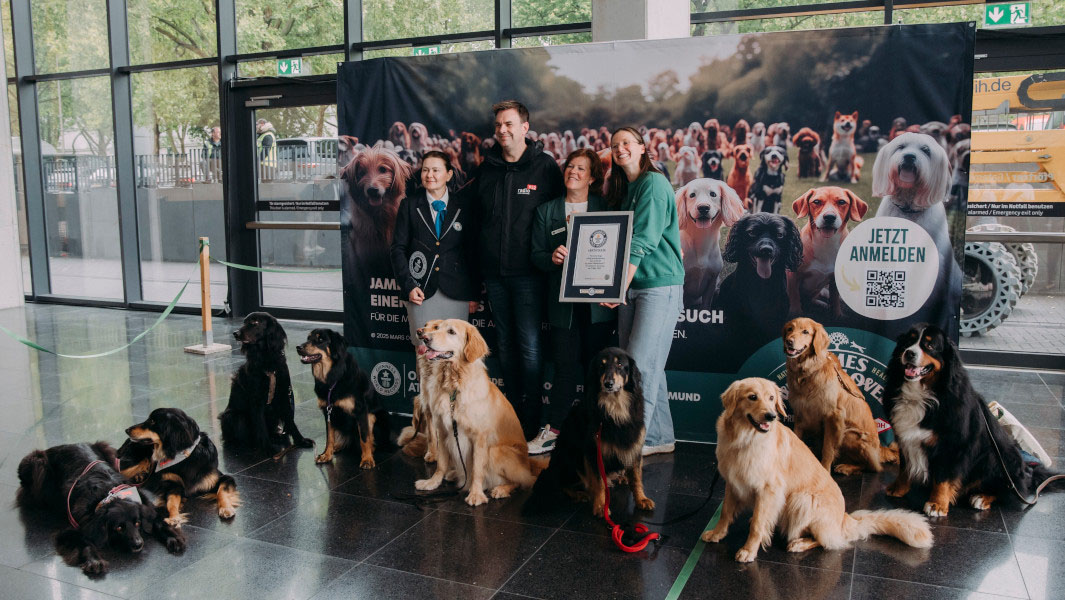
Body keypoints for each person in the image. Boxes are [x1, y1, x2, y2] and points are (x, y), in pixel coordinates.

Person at [469, 100, 564, 438]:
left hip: (530, 276)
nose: (502, 130)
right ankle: (512, 415)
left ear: (525, 127)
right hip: (494, 276)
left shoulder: (545, 167)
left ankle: (532, 421)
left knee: (530, 347)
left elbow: (560, 215)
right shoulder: (487, 168)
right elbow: (476, 221)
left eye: (509, 124)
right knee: (505, 347)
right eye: (498, 125)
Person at [602, 126, 684, 456]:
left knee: (637, 367)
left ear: (642, 148)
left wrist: (616, 286)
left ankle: (630, 446)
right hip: (633, 286)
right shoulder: (623, 188)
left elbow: (643, 241)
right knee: (648, 366)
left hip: (658, 286)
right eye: (614, 145)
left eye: (627, 143)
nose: (620, 149)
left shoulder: (654, 183)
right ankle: (657, 438)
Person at [528, 148, 616, 454]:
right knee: (564, 369)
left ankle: (600, 433)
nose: (573, 172)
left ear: (592, 178)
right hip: (563, 306)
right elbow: (536, 256)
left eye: (581, 168)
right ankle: (553, 431)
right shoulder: (547, 210)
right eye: (570, 166)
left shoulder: (605, 208)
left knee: (599, 371)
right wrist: (551, 257)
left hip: (598, 307)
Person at [390, 150, 479, 347]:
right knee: (425, 352)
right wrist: (409, 286)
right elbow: (398, 249)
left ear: (449, 174)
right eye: (425, 170)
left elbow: (472, 252)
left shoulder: (464, 206)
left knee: (454, 353)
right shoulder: (409, 205)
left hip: (457, 293)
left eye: (436, 170)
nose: (429, 175)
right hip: (420, 292)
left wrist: (473, 294)